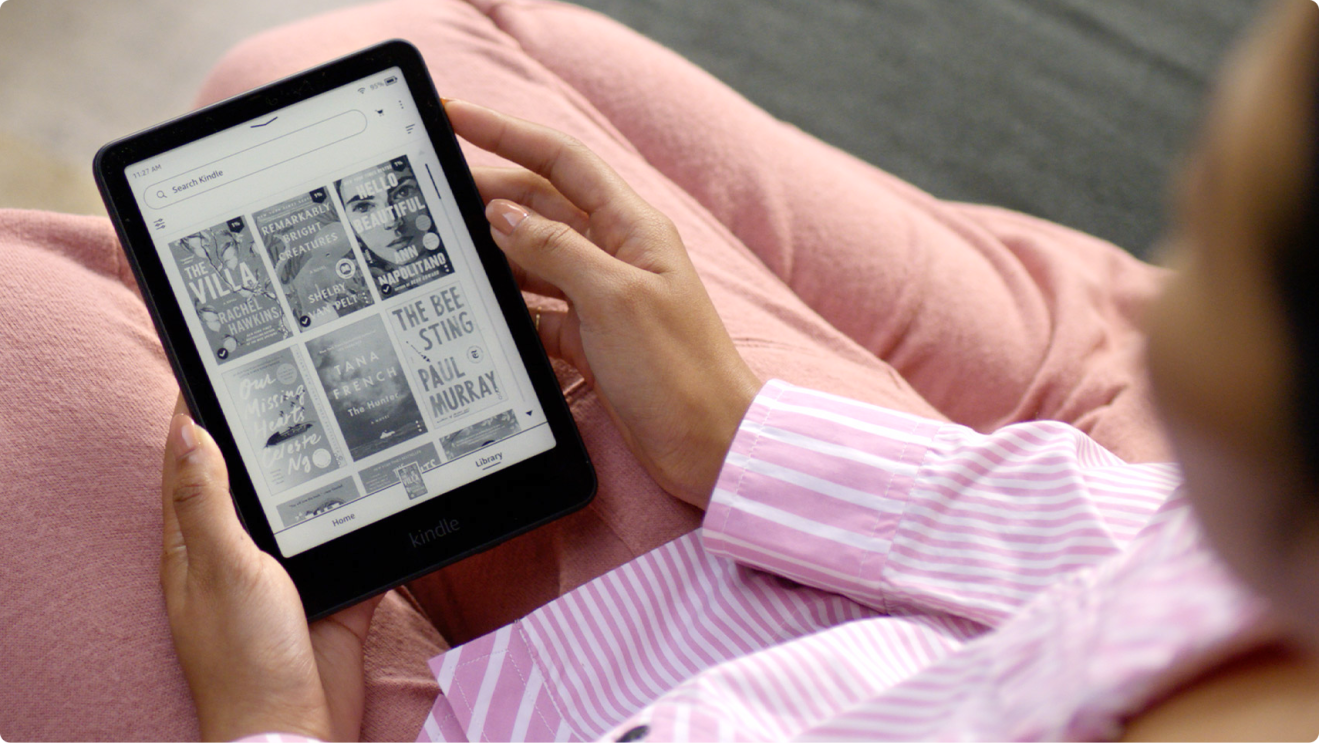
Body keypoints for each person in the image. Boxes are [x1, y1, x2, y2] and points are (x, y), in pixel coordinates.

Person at [2, 0, 1311, 741]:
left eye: (1205, 239)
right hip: (845, 583)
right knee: (330, 73)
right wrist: (737, 434)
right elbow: (1129, 543)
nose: (1169, 234)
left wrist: (274, 726)